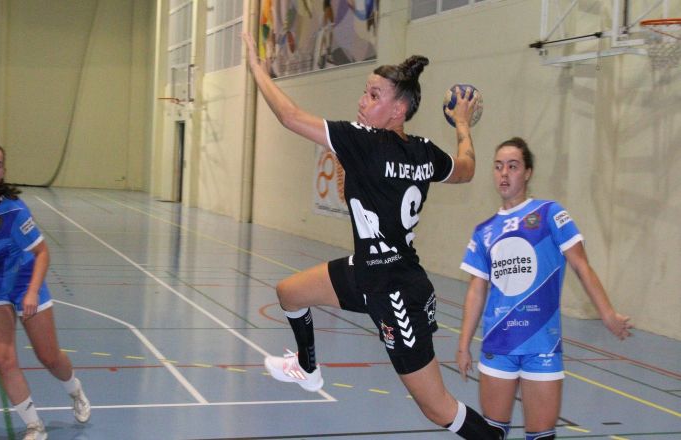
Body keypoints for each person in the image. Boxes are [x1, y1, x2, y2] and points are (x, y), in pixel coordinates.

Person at [243, 33, 499, 439]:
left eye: (374, 94)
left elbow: (290, 116)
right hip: (368, 269)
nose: (363, 100)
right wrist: (463, 125)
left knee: (438, 409)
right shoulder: (423, 151)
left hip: (396, 292)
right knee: (289, 292)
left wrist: (257, 69)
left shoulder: (362, 141)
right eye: (365, 92)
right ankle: (308, 370)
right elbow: (466, 168)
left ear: (397, 110)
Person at [456, 137, 632, 440]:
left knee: (541, 435)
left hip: (542, 346)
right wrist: (463, 345)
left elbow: (580, 264)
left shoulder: (550, 214)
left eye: (513, 166)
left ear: (527, 172)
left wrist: (607, 313)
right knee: (491, 434)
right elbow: (476, 291)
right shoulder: (484, 231)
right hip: (499, 344)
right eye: (498, 167)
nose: (504, 174)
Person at [0, 142, 91, 440]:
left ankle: (75, 390)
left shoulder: (13, 209)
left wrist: (31, 293)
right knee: (4, 360)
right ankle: (35, 427)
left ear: (3, 171)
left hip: (25, 282)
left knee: (48, 356)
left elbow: (42, 253)